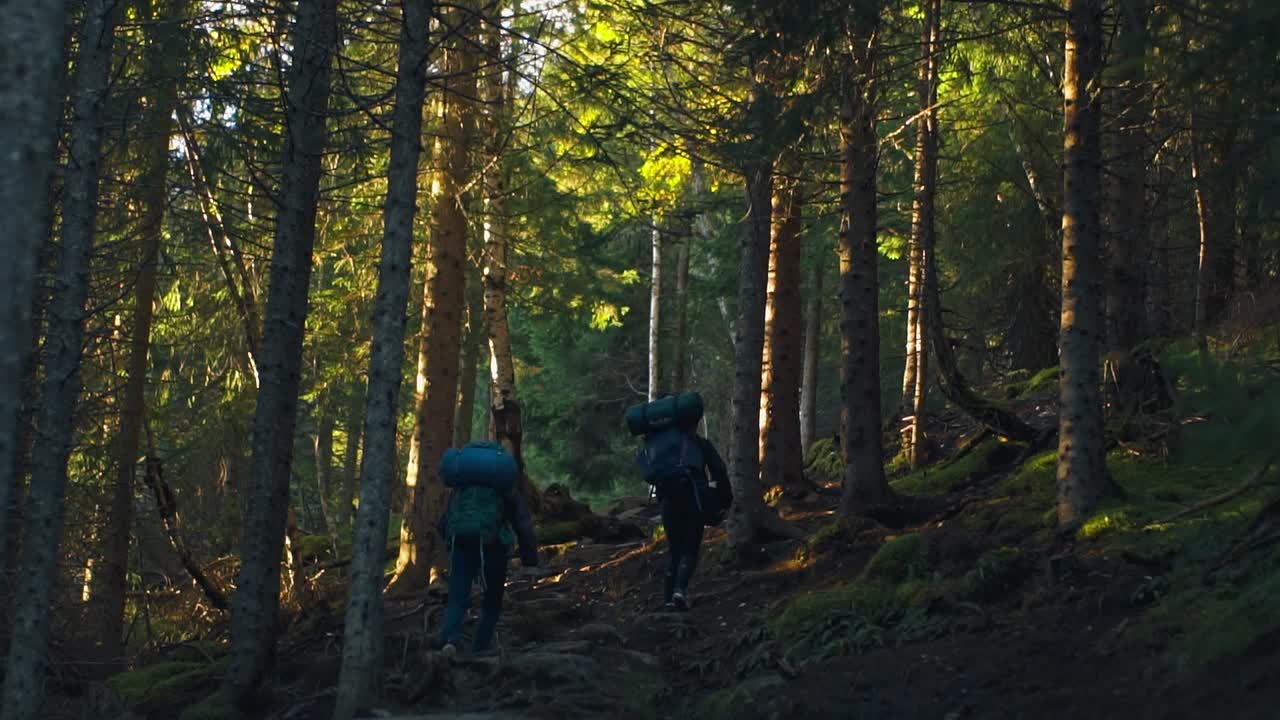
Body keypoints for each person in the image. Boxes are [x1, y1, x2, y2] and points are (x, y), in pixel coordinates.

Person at [437, 444, 539, 657]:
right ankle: (480, 648)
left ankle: (449, 641)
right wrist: (530, 559)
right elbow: (522, 522)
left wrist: (447, 540)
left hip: (461, 543)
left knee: (457, 597)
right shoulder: (502, 485)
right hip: (493, 546)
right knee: (492, 601)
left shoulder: (461, 485)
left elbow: (446, 519)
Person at [641, 423, 731, 612]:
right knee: (689, 549)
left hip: (668, 502)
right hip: (694, 500)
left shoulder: (659, 444)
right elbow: (720, 470)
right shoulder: (699, 443)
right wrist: (725, 500)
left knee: (674, 550)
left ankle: (668, 601)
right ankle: (679, 591)